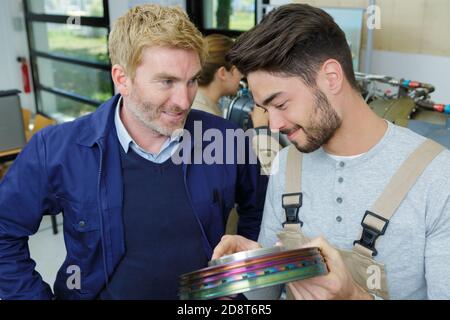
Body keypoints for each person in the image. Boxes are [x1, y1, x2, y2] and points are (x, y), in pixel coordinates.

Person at [0, 4, 267, 300]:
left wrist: (237, 272)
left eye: (191, 80)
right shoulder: (56, 149)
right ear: (122, 78)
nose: (183, 100)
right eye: (167, 81)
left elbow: (259, 210)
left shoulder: (226, 138)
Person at [212, 4, 450, 300]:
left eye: (281, 104)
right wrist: (253, 266)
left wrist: (353, 297)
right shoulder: (287, 165)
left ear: (331, 77)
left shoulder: (438, 178)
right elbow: (268, 297)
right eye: (265, 109)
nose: (273, 125)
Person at [192, 34, 242, 117]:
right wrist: (260, 124)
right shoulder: (208, 116)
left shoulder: (193, 102)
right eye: (238, 70)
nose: (241, 76)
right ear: (222, 73)